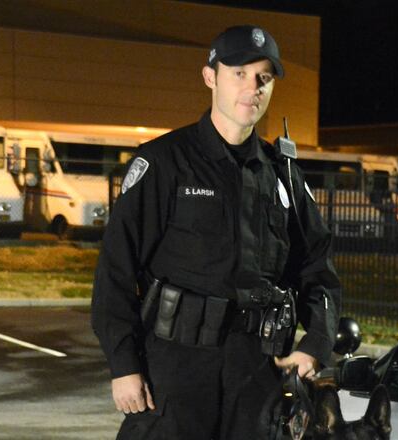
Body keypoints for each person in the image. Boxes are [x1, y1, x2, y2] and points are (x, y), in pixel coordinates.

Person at [91, 24, 341, 439]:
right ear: (211, 77)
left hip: (258, 376)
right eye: (239, 73)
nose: (252, 87)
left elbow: (319, 271)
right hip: (174, 371)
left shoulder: (284, 177)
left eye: (264, 77)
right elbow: (115, 271)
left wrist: (314, 345)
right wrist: (124, 367)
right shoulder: (165, 163)